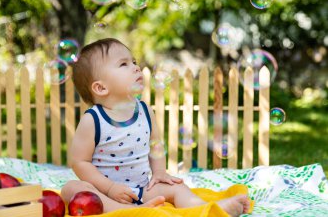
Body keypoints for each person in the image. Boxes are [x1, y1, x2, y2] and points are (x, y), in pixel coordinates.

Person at [61, 38, 250, 216]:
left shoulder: (144, 110)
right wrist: (110, 188)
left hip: (142, 191)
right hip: (105, 193)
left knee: (177, 187)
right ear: (101, 88)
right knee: (71, 189)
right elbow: (80, 163)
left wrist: (159, 173)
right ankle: (124, 212)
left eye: (133, 61)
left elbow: (156, 145)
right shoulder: (93, 119)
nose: (136, 67)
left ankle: (208, 210)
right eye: (124, 64)